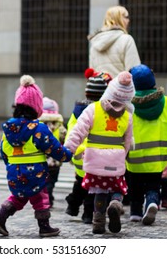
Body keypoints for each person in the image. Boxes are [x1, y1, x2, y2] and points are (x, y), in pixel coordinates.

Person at [0, 75, 72, 237]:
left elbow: (3, 150)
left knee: (18, 196)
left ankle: (0, 216)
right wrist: (67, 155)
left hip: (14, 171)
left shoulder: (8, 129)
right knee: (41, 197)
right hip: (36, 173)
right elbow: (53, 148)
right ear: (36, 106)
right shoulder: (38, 128)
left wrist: (10, 165)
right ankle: (44, 226)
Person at [64, 71, 134, 234]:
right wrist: (121, 157)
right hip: (116, 159)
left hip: (94, 159)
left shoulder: (93, 109)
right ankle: (116, 204)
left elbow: (78, 131)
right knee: (118, 188)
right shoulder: (127, 116)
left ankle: (98, 222)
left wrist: (68, 149)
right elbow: (128, 141)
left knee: (99, 191)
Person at [126, 64, 167, 225]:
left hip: (134, 158)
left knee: (135, 185)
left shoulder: (128, 105)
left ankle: (135, 212)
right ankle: (151, 201)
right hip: (158, 158)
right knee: (153, 185)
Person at [64, 68, 112, 224]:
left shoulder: (76, 110)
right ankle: (87, 215)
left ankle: (72, 205)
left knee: (81, 182)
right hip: (93, 155)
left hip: (78, 154)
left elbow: (71, 130)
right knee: (93, 187)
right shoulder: (101, 112)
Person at [88, 5, 141, 79]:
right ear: (118, 19)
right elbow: (135, 72)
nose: (128, 20)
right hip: (122, 89)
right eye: (126, 17)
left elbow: (92, 75)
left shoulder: (95, 44)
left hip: (101, 90)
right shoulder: (127, 40)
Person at [38, 97, 67, 208]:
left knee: (43, 181)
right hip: (55, 161)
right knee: (52, 180)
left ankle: (46, 198)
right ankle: (49, 196)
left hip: (41, 159)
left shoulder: (38, 126)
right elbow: (64, 138)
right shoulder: (60, 127)